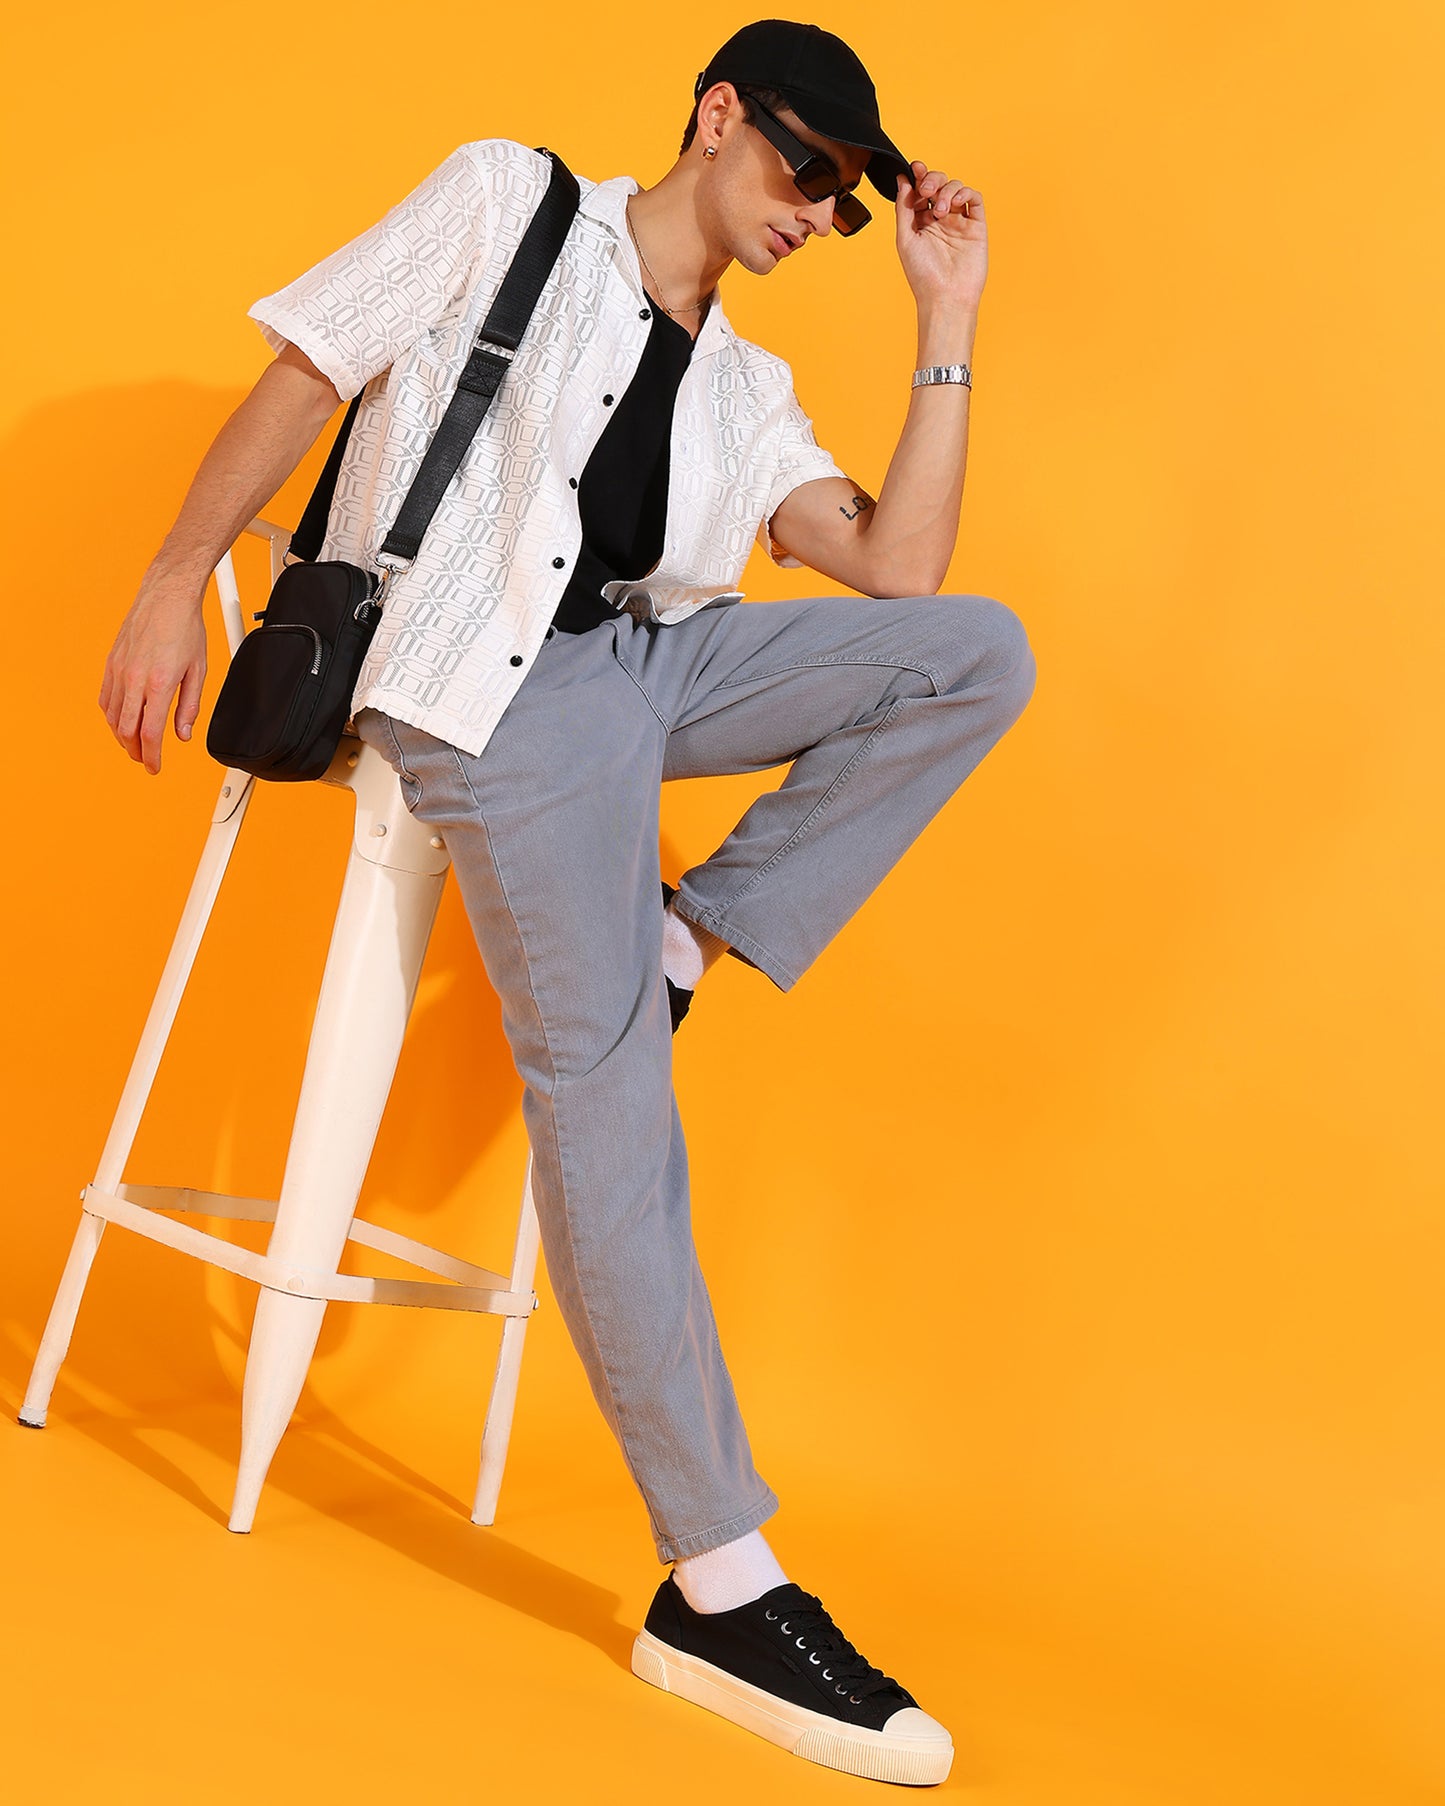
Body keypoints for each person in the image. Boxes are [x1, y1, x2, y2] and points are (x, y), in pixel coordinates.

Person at [98, 19, 1036, 1787]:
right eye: (800, 169)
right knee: (605, 1096)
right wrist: (171, 573)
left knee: (968, 651)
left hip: (644, 670)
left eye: (842, 196)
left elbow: (901, 568)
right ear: (714, 119)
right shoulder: (506, 203)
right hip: (479, 691)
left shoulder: (745, 389)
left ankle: (696, 931)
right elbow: (310, 370)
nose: (811, 209)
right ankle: (717, 1576)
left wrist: (946, 317)